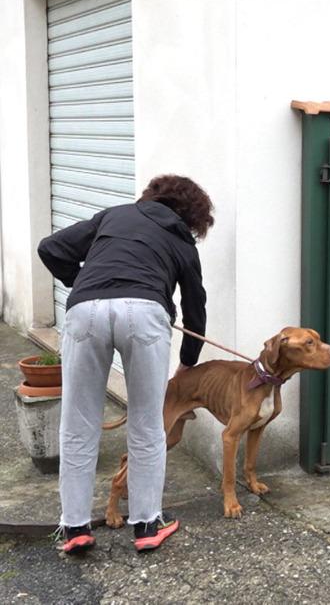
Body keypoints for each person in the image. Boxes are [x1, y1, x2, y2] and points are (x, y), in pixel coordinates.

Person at [38, 174, 214, 554]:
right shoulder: (182, 240)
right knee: (147, 424)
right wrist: (188, 361)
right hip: (146, 314)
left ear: (152, 196)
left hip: (85, 312)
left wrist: (83, 283)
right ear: (192, 216)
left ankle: (75, 528)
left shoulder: (114, 215)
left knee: (78, 423)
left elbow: (51, 248)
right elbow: (195, 305)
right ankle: (147, 525)